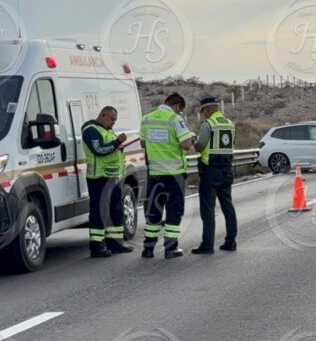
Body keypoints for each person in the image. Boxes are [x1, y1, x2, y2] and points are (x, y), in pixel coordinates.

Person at [140, 93, 195, 259]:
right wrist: (192, 138)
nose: (180, 113)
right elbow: (185, 145)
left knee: (153, 211)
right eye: (180, 110)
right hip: (174, 174)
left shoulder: (147, 119)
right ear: (177, 106)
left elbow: (143, 143)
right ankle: (171, 249)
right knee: (173, 211)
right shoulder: (175, 119)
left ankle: (148, 248)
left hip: (155, 174)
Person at [81, 106, 133, 258]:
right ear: (103, 115)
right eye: (111, 119)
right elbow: (100, 150)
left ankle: (116, 243)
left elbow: (110, 148)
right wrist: (117, 142)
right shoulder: (91, 130)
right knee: (100, 212)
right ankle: (97, 246)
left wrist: (118, 147)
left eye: (115, 120)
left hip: (112, 177)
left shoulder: (107, 129)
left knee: (115, 210)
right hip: (99, 178)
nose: (113, 123)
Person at [192, 98, 238, 254]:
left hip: (210, 172)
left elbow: (200, 146)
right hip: (226, 170)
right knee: (228, 207)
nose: (203, 116)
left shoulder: (208, 125)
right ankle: (231, 241)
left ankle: (207, 245)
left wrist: (194, 141)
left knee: (208, 210)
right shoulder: (230, 124)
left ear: (206, 109)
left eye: (203, 112)